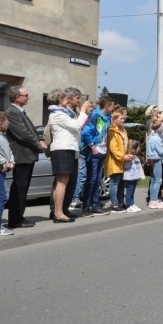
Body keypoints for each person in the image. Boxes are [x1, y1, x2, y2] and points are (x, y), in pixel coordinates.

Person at [48, 87, 91, 223]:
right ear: (60, 100)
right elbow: (76, 126)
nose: (67, 100)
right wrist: (83, 111)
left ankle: (61, 210)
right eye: (65, 98)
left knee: (66, 182)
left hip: (69, 149)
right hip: (62, 149)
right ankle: (58, 213)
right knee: (61, 182)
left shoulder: (64, 113)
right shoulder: (57, 114)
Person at [5, 85, 45, 228]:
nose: (28, 97)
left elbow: (30, 132)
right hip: (21, 155)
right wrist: (39, 144)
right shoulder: (13, 112)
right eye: (25, 95)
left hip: (26, 155)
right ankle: (16, 219)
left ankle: (18, 217)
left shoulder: (20, 111)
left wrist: (39, 140)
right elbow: (23, 134)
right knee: (19, 188)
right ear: (17, 97)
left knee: (23, 187)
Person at [78, 96, 115, 218]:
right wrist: (92, 147)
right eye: (112, 106)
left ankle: (95, 204)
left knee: (98, 179)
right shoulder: (96, 115)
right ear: (107, 106)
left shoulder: (108, 117)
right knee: (91, 179)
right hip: (94, 151)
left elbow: (103, 132)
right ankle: (86, 207)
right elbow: (86, 132)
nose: (113, 108)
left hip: (102, 151)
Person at [106, 107, 135, 213]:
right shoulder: (112, 131)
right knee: (114, 183)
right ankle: (114, 204)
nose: (123, 120)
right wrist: (122, 156)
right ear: (114, 119)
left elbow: (125, 144)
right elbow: (113, 148)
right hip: (115, 161)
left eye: (123, 119)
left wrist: (129, 153)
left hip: (123, 160)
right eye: (121, 119)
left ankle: (120, 202)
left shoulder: (122, 130)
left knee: (121, 183)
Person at [146, 118, 163, 209]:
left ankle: (153, 199)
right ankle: (154, 200)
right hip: (156, 160)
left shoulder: (151, 137)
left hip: (151, 160)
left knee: (153, 180)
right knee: (158, 181)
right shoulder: (157, 138)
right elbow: (160, 152)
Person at [122, 139, 143, 213]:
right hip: (129, 177)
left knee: (132, 191)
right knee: (129, 191)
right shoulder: (129, 157)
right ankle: (129, 205)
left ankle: (132, 204)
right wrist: (130, 161)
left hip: (134, 177)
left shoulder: (135, 157)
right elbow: (126, 167)